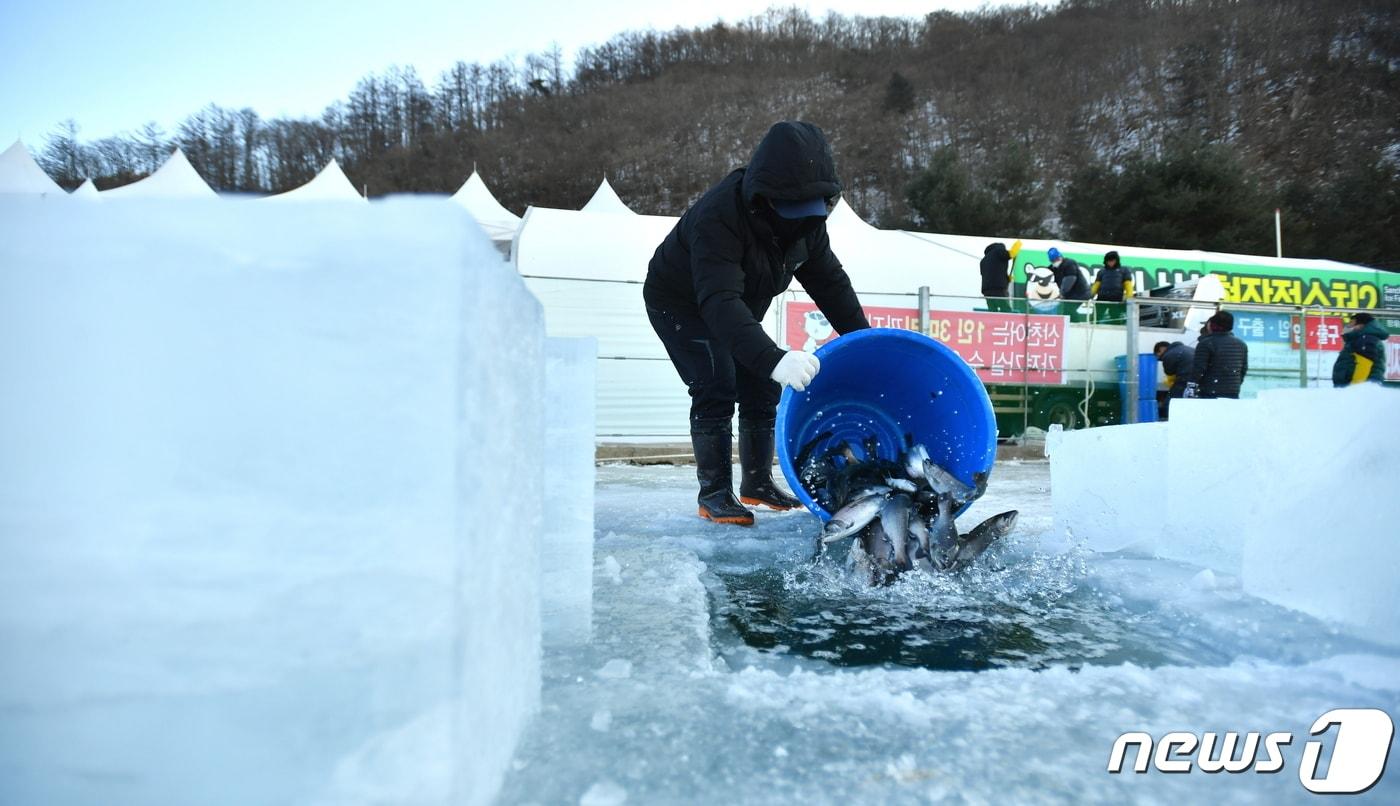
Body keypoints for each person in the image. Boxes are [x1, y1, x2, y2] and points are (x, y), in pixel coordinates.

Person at [644, 121, 870, 526]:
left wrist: (865, 344)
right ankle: (714, 493)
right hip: (683, 303)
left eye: (809, 212)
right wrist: (772, 356)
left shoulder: (808, 227)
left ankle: (758, 483)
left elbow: (831, 284)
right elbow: (718, 301)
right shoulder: (720, 217)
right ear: (765, 198)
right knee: (715, 383)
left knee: (761, 384)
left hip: (738, 304)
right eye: (791, 210)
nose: (798, 221)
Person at [1186, 311, 1248, 399]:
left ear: (1212, 325)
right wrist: (1235, 384)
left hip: (1209, 391)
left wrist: (1191, 387)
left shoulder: (1206, 343)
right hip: (1232, 392)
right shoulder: (1241, 344)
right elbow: (1243, 369)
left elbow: (1199, 368)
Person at [1332, 312, 1389, 387]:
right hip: (1357, 386)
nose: (1348, 326)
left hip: (1359, 387)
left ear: (1361, 325)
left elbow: (1364, 364)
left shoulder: (1365, 339)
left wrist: (1355, 388)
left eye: (1352, 323)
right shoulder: (1361, 339)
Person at [1153, 339, 1194, 418]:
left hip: (1184, 381)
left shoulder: (1168, 354)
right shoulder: (1188, 349)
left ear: (1161, 349)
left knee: (1169, 404)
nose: (1160, 359)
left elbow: (1169, 372)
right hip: (1198, 380)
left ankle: (1168, 421)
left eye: (1158, 355)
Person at [1047, 247, 1090, 319]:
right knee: (1067, 310)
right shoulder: (1053, 268)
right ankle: (1071, 325)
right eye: (1053, 261)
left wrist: (1062, 293)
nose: (1055, 262)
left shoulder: (1069, 264)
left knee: (1069, 309)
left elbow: (1070, 280)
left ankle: (1075, 326)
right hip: (1070, 294)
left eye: (1056, 259)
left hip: (1080, 293)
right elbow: (1044, 273)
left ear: (1060, 257)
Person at [980, 242, 1013, 313]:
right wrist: (1015, 250)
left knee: (992, 309)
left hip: (986, 290)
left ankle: (993, 323)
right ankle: (1006, 323)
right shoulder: (998, 251)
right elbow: (1009, 255)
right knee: (1005, 309)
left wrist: (1006, 278)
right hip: (998, 287)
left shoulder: (983, 260)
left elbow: (992, 273)